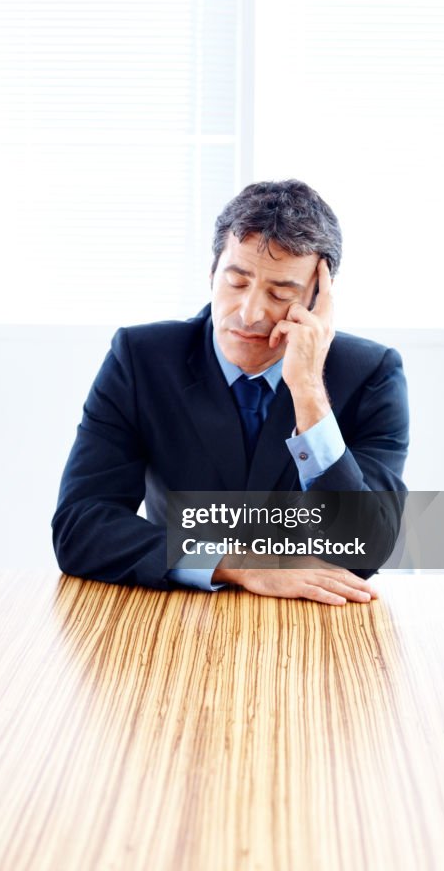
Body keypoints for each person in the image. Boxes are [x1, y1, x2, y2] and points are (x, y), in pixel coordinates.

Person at [52, 179, 409, 605]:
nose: (249, 313)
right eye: (236, 282)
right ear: (211, 274)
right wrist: (239, 564)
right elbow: (81, 526)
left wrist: (309, 390)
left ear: (316, 301)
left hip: (316, 629)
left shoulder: (372, 374)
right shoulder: (140, 359)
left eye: (280, 294)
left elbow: (366, 549)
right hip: (175, 613)